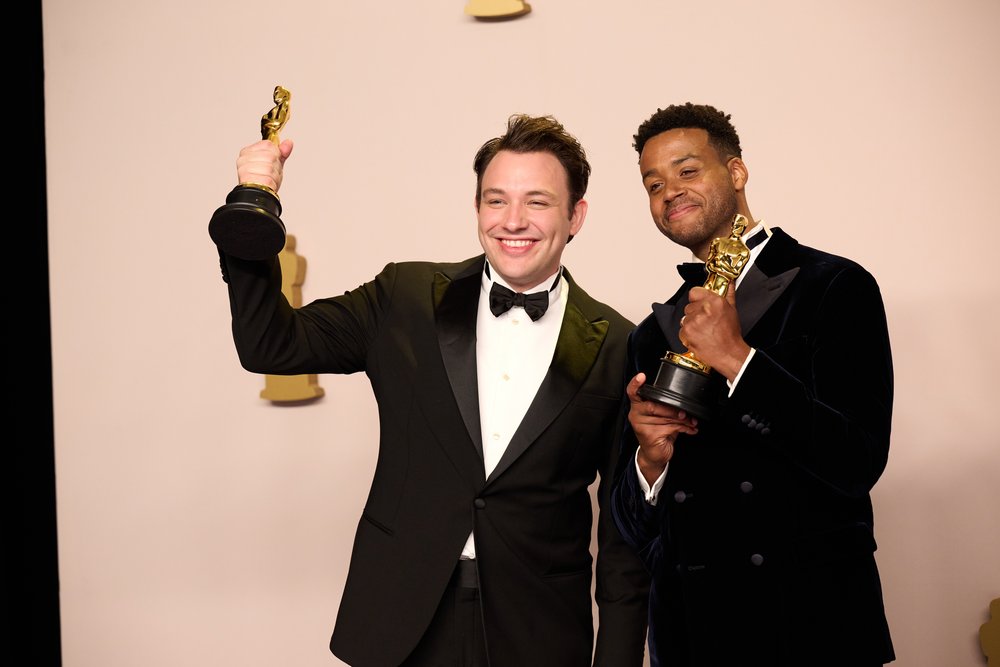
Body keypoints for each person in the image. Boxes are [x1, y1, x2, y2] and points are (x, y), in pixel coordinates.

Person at [212, 113, 650, 666]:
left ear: (575, 215)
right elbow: (271, 347)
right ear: (477, 210)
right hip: (402, 620)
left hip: (539, 630)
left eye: (537, 201)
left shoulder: (619, 344)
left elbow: (621, 539)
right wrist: (254, 203)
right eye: (496, 200)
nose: (513, 220)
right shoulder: (406, 295)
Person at [610, 102, 895, 666]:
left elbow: (858, 460)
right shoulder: (651, 334)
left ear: (737, 172)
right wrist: (648, 462)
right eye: (653, 183)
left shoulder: (836, 286)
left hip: (808, 630)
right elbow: (634, 530)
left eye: (687, 171)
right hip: (692, 637)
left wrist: (740, 360)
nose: (669, 191)